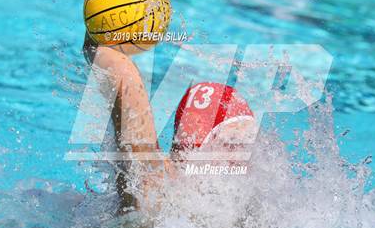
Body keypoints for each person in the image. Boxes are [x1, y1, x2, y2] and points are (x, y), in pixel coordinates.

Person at [83, 33, 257, 214]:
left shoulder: (262, 216)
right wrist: (103, 30)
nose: (242, 159)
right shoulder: (157, 194)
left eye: (248, 142)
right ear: (190, 152)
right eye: (231, 144)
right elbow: (124, 80)